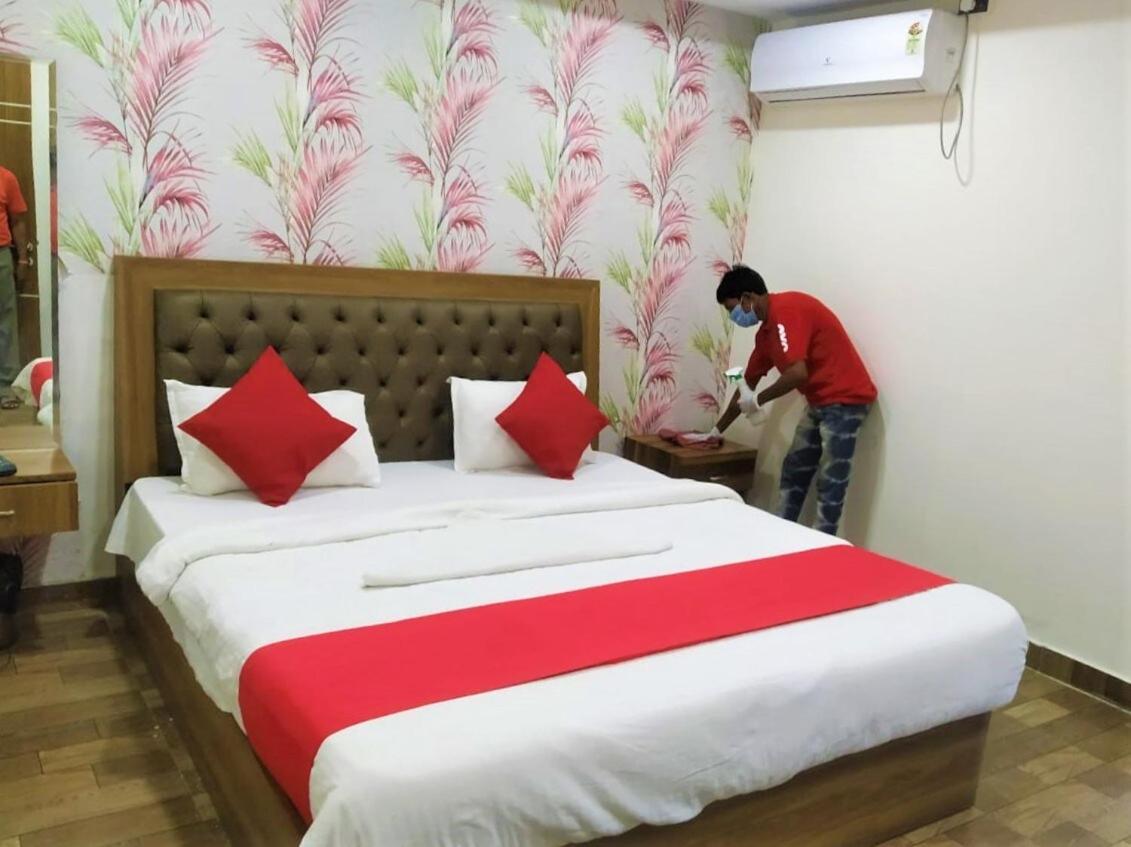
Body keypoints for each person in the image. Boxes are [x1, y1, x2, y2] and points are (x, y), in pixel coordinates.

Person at [711, 265, 877, 536]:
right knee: (795, 469)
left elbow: (797, 374)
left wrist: (758, 400)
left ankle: (822, 546)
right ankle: (780, 534)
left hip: (846, 399)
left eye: (733, 309)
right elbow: (746, 387)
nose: (734, 317)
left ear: (747, 298)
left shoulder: (786, 311)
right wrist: (715, 432)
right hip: (819, 401)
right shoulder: (766, 333)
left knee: (831, 480)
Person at [0, 164, 27, 391]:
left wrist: (23, 260)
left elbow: (18, 221)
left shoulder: (6, 178)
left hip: (1, 255)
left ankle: (6, 384)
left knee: (5, 319)